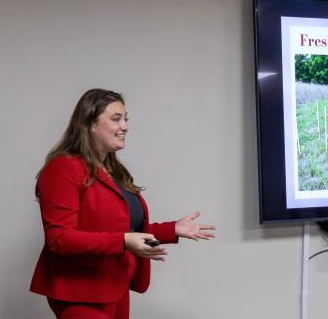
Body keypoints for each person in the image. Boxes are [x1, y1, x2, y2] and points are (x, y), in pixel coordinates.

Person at [30, 89, 215, 319]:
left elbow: (123, 229)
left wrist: (172, 229)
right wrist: (124, 241)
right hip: (80, 292)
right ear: (90, 124)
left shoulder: (113, 171)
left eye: (126, 119)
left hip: (115, 286)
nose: (125, 126)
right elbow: (60, 239)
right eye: (116, 119)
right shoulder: (63, 169)